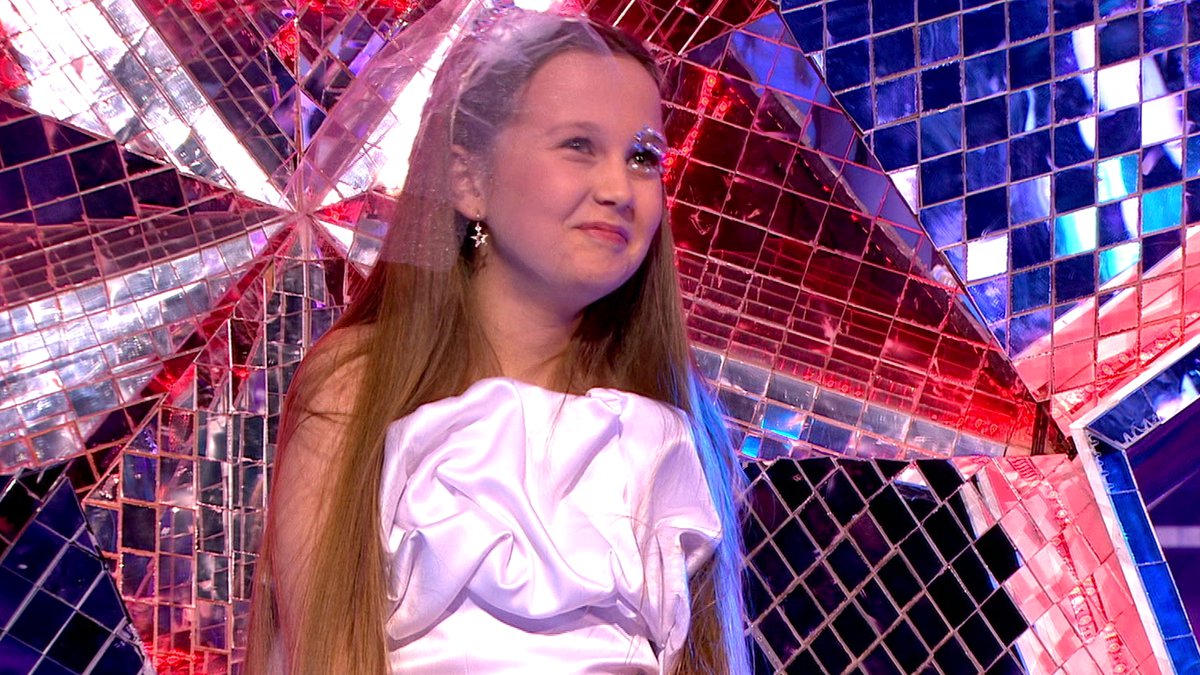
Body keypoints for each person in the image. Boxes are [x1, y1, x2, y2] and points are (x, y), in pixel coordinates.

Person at [247, 2, 749, 673]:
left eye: (642, 157)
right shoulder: (361, 385)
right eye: (579, 145)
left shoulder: (673, 422)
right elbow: (326, 651)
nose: (618, 188)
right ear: (469, 179)